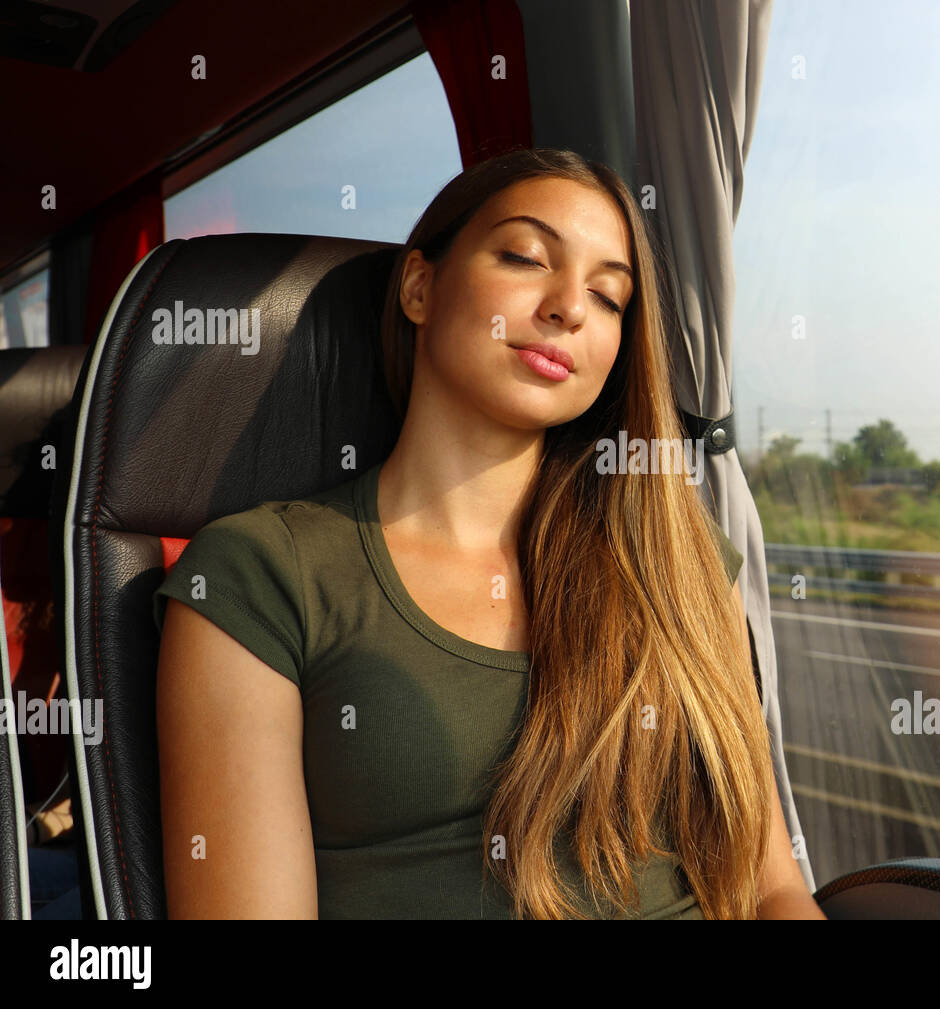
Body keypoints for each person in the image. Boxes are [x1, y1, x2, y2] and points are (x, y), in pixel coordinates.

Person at [154, 147, 824, 920]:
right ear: (419, 286)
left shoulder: (676, 557)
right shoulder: (260, 575)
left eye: (609, 297)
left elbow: (770, 884)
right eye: (525, 256)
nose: (570, 307)